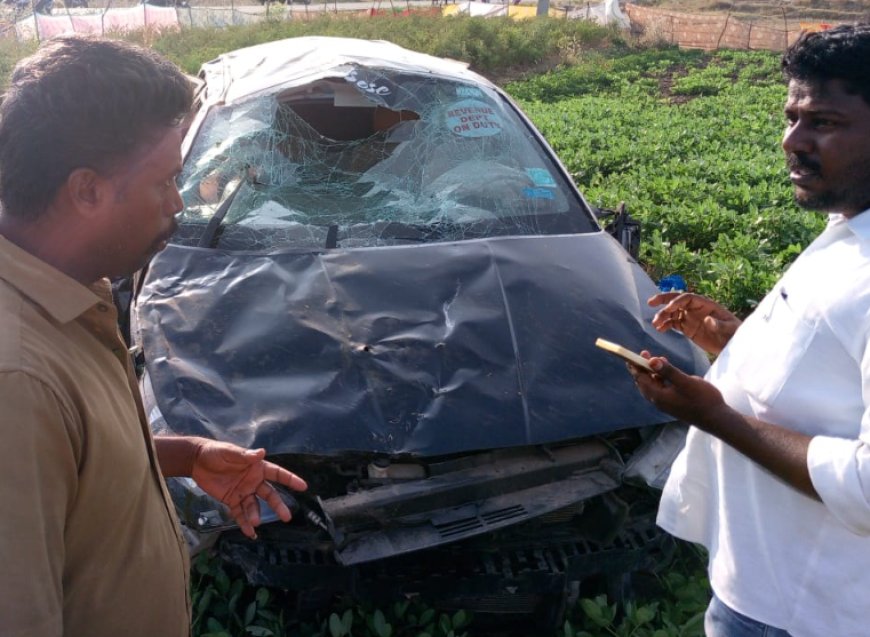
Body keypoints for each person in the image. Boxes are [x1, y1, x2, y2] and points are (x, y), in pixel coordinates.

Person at [0, 37, 308, 636]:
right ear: (86, 191)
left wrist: (184, 456)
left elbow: (71, 459)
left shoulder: (66, 288)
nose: (177, 204)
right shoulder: (18, 383)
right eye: (165, 181)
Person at [628, 24, 870, 637]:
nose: (793, 141)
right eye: (791, 117)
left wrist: (714, 414)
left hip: (811, 612)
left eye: (826, 123)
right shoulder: (849, 225)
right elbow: (831, 377)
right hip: (763, 584)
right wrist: (733, 341)